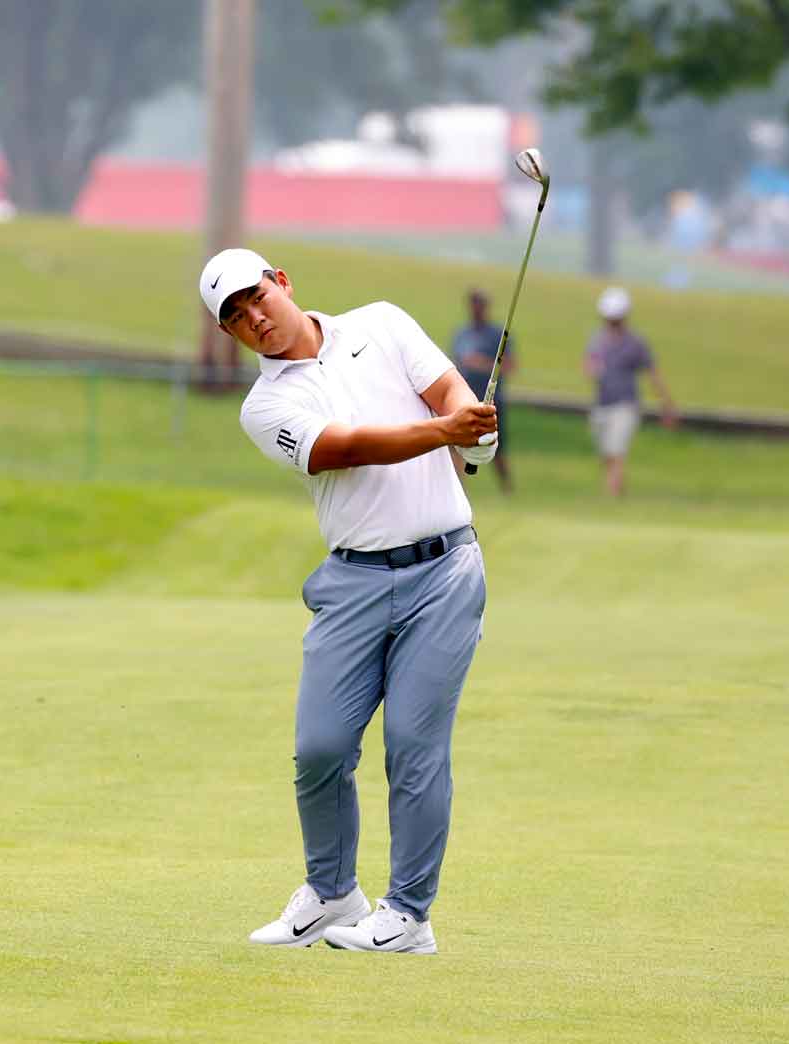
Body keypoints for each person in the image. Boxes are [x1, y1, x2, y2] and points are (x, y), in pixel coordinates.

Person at [201, 247, 497, 956]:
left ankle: (408, 916)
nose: (255, 320)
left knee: (414, 748)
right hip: (354, 582)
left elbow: (449, 390)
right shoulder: (266, 405)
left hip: (443, 570)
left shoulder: (382, 324)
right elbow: (348, 447)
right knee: (320, 748)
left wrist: (474, 426)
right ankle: (335, 894)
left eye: (256, 299)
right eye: (236, 319)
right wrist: (445, 433)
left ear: (282, 282)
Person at [584, 286, 678, 496]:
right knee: (606, 453)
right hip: (602, 402)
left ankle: (611, 496)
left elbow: (652, 373)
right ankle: (618, 492)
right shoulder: (597, 339)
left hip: (625, 404)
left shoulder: (636, 342)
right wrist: (592, 370)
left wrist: (666, 404)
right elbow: (588, 363)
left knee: (616, 451)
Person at [449, 288, 514, 493]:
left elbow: (510, 366)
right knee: (458, 443)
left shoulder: (496, 334)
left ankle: (507, 488)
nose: (476, 308)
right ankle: (458, 489)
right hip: (465, 397)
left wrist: (480, 363)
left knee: (496, 446)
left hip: (491, 399)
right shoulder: (462, 333)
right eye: (473, 304)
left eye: (479, 304)